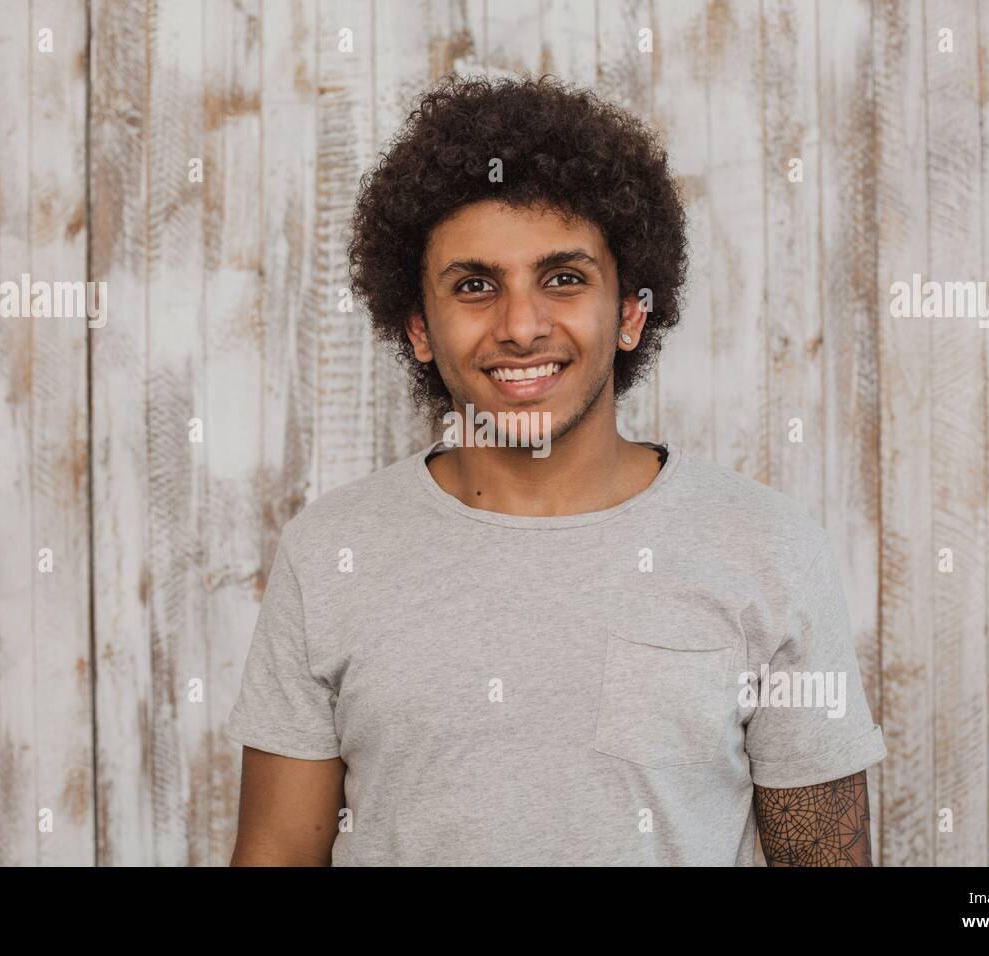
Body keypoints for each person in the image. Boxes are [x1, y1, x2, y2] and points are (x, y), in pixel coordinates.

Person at [228, 73, 886, 866]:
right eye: (475, 286)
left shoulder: (768, 549)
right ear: (419, 328)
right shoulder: (331, 552)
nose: (521, 326)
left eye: (563, 279)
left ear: (632, 312)